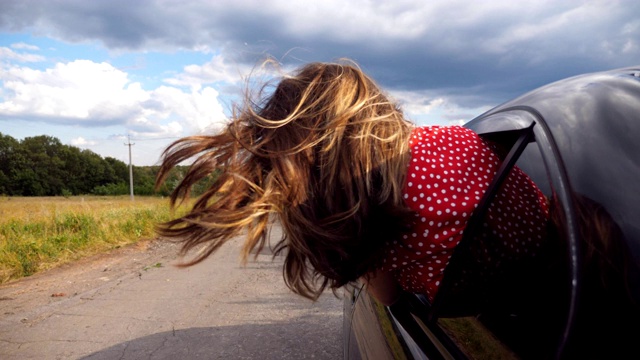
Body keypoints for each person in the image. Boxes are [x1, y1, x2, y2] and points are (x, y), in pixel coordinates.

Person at [154, 59, 549, 306]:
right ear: (377, 108)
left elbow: (389, 298)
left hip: (499, 301)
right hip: (558, 266)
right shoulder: (458, 138)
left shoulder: (369, 215)